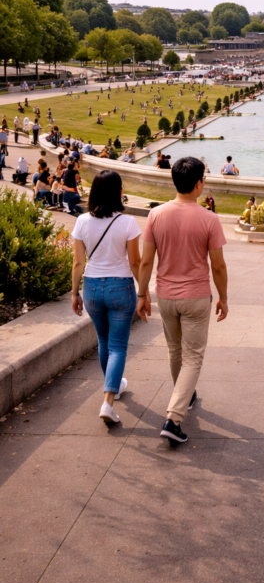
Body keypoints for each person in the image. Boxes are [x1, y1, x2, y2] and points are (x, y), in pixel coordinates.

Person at [137, 156, 228, 445]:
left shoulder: (156, 215)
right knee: (192, 358)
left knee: (176, 352)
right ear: (199, 184)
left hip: (165, 295)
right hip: (196, 296)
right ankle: (174, 418)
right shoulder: (209, 219)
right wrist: (223, 297)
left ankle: (184, 396)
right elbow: (218, 266)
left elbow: (146, 261)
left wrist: (142, 294)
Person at [71, 171, 142, 425]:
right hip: (120, 287)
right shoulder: (128, 222)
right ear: (117, 192)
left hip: (91, 287)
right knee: (118, 346)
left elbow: (78, 263)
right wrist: (143, 292)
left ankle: (115, 386)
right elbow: (135, 262)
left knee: (104, 342)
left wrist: (74, 293)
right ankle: (108, 401)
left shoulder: (81, 221)